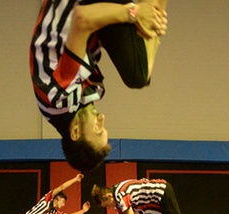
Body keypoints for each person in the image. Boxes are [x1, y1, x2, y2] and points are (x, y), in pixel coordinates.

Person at [31, 0, 168, 172]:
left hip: (82, 8)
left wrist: (134, 13)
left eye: (97, 128)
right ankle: (156, 17)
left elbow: (81, 19)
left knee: (137, 74)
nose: (102, 118)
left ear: (75, 132)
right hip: (88, 16)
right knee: (140, 69)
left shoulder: (60, 96)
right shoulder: (66, 110)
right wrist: (154, 26)